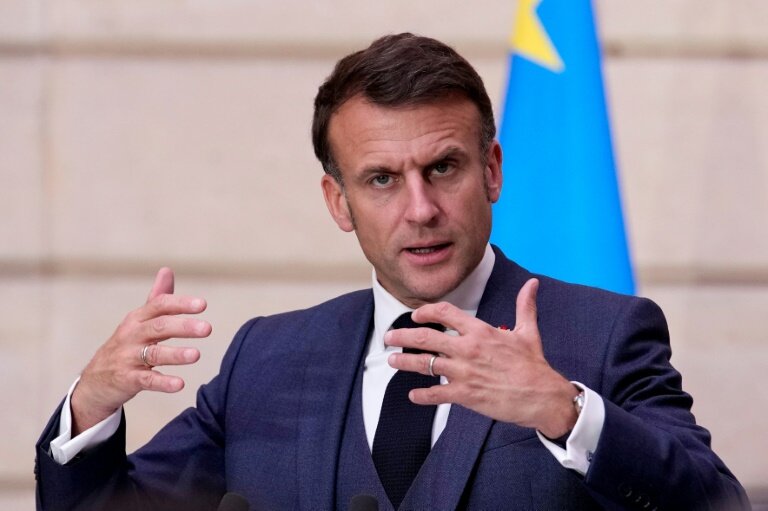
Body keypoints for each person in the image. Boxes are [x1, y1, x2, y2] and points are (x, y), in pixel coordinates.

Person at [35, 33, 750, 511]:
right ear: (338, 201)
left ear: (493, 170)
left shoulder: (602, 333)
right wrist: (91, 410)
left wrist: (566, 411)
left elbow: (716, 502)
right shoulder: (267, 358)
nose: (421, 208)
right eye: (381, 179)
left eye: (444, 167)